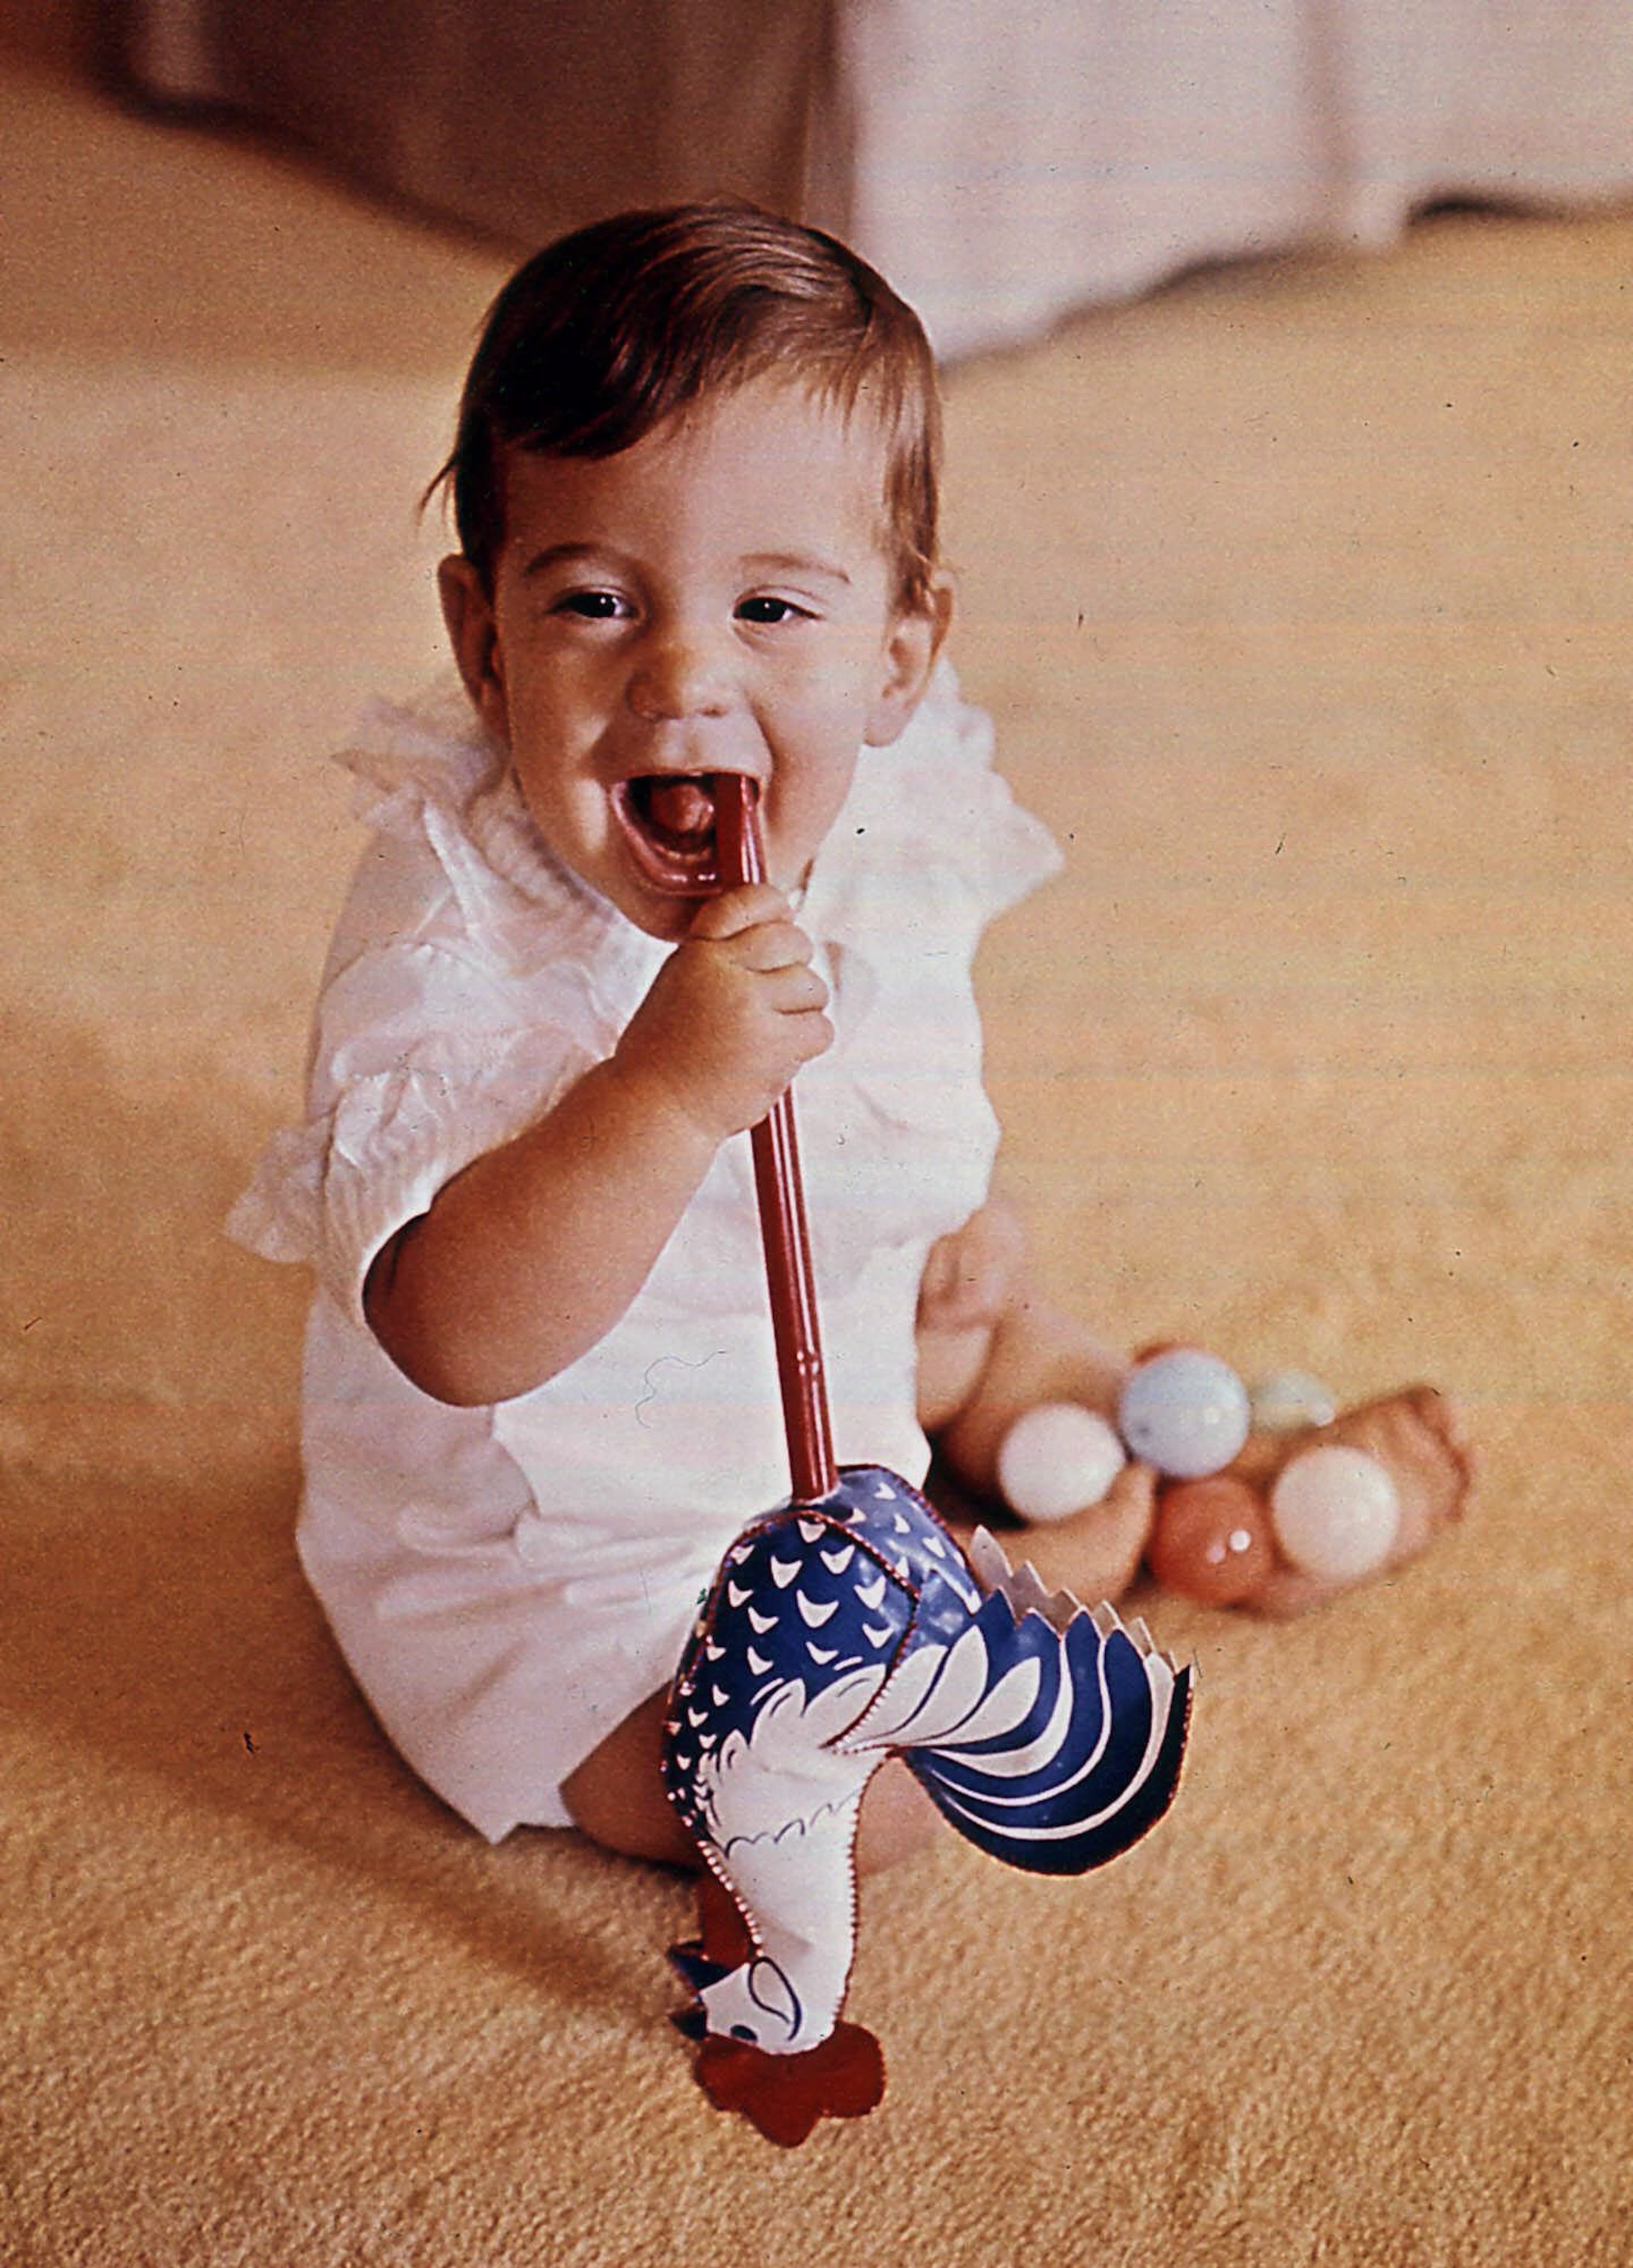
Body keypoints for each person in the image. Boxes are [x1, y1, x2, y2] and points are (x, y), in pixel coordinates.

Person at [231, 203, 1471, 1884]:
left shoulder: (897, 816)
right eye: (596, 599)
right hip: (571, 1552)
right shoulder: (449, 922)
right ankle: (1074, 1557)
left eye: (772, 610)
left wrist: (944, 1214)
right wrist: (658, 1095)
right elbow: (452, 1330)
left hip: (826, 1379)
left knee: (1000, 1316)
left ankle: (1214, 1460)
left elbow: (899, 1064)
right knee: (844, 1801)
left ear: (900, 654)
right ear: (482, 637)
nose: (683, 675)